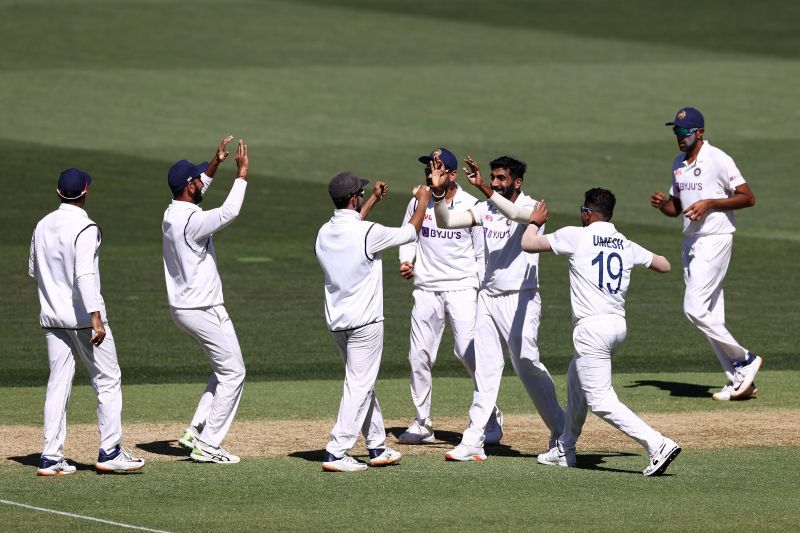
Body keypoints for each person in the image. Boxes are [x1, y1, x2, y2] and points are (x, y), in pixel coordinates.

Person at [525, 188, 681, 476]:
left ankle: (658, 444)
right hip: (617, 327)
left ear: (587, 213)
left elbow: (528, 243)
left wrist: (534, 220)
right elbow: (664, 264)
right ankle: (564, 449)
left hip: (592, 329)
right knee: (576, 382)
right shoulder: (624, 242)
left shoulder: (577, 234)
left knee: (599, 400)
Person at [429, 154, 564, 462]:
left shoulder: (532, 207)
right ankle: (474, 439)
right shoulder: (484, 207)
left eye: (501, 178)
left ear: (517, 182)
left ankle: (561, 429)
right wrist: (438, 195)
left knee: (527, 364)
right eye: (493, 177)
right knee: (486, 370)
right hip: (488, 297)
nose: (495, 182)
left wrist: (485, 191)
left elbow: (518, 215)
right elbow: (447, 220)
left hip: (521, 298)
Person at [29, 168, 145, 476]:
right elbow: (84, 273)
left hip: (52, 318)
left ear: (58, 193)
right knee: (107, 379)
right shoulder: (86, 227)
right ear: (85, 192)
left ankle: (51, 457)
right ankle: (110, 451)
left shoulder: (42, 225)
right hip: (83, 319)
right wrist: (95, 317)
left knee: (58, 383)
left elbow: (34, 270)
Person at [315, 171, 431, 472]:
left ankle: (377, 445)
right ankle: (336, 450)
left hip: (337, 322)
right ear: (354, 198)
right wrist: (424, 200)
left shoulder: (324, 232)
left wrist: (375, 201)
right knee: (358, 383)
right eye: (362, 195)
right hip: (365, 323)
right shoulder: (369, 233)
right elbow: (410, 231)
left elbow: (355, 229)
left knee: (361, 383)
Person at [651, 107, 761, 401]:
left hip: (715, 238)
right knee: (711, 314)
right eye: (676, 131)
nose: (679, 137)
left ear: (699, 132)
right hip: (691, 242)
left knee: (694, 309)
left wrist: (710, 203)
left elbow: (748, 197)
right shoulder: (678, 163)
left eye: (684, 132)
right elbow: (677, 208)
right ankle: (739, 379)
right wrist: (664, 205)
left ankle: (746, 359)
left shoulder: (717, 159)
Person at [397, 148, 503, 446]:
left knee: (467, 352)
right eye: (429, 167)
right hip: (426, 288)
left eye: (438, 167)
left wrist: (482, 289)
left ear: (453, 175)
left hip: (462, 288)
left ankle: (489, 415)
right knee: (419, 356)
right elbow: (409, 235)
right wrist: (407, 262)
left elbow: (482, 252)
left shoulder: (471, 205)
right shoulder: (418, 201)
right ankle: (422, 422)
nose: (431, 172)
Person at [163, 136, 249, 463]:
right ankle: (209, 444)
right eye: (198, 179)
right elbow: (229, 212)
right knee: (234, 373)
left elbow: (198, 192)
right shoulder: (193, 221)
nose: (202, 183)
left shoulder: (173, 213)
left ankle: (196, 430)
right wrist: (241, 173)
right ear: (189, 187)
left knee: (222, 366)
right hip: (202, 308)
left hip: (188, 307)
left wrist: (215, 164)